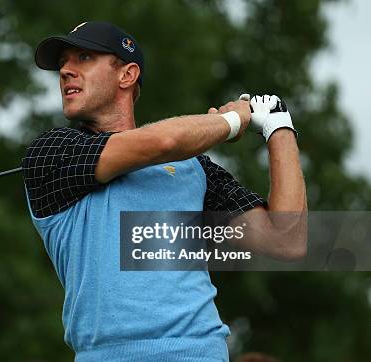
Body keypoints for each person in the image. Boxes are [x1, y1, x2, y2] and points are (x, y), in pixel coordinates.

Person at [22, 21, 307, 361]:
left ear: (127, 75)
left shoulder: (194, 168)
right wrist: (231, 121)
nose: (66, 70)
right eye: (63, 63)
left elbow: (287, 240)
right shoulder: (52, 153)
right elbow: (163, 141)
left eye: (83, 57)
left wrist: (279, 128)